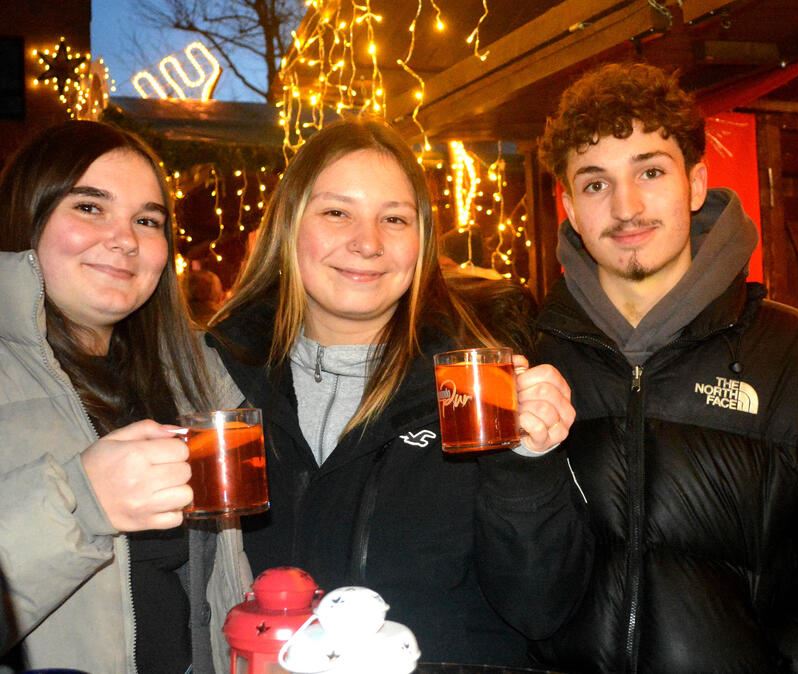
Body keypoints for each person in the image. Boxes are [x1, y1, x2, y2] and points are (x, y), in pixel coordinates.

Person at [531, 62, 798, 673]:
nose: (626, 206)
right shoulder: (525, 361)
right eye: (595, 184)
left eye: (650, 172)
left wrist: (789, 667)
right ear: (569, 208)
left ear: (695, 184)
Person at [207, 118, 591, 666]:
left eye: (394, 219)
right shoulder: (214, 380)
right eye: (337, 213)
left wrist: (529, 464)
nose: (367, 243)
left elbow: (541, 610)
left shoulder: (477, 390)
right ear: (288, 226)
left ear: (422, 241)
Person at [0, 121, 247, 673]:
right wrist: (83, 502)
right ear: (26, 216)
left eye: (147, 220)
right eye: (90, 207)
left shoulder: (190, 376)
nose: (126, 239)